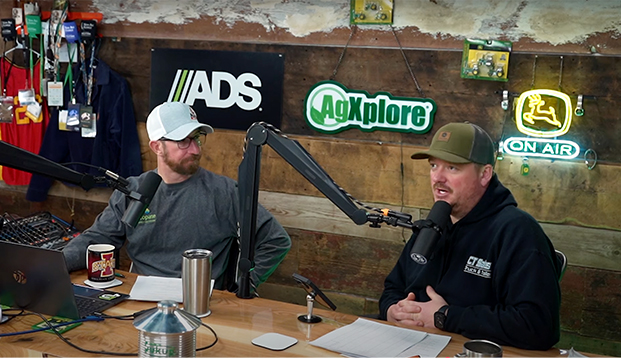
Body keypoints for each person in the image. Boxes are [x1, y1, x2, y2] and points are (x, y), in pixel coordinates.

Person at [62, 101, 291, 290]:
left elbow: (276, 241)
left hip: (200, 304)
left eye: (197, 138)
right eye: (183, 141)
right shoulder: (132, 191)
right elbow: (96, 241)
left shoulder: (225, 192)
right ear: (156, 147)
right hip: (140, 299)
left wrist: (244, 286)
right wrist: (55, 264)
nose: (196, 149)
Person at [379, 122, 561, 350]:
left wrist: (446, 316)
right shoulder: (434, 224)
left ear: (485, 174)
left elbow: (538, 325)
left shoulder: (518, 231)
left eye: (452, 168)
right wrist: (391, 310)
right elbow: (393, 287)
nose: (438, 177)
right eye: (434, 166)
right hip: (409, 346)